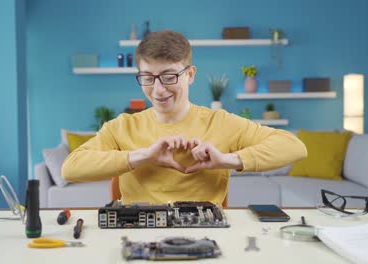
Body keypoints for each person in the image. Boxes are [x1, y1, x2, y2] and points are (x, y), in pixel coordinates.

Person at [62, 30, 307, 205]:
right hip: (137, 238)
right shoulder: (122, 127)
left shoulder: (221, 122)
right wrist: (144, 156)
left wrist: (226, 160)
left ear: (190, 75)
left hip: (205, 238)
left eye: (169, 76)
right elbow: (71, 168)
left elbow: (294, 147)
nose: (158, 89)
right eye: (147, 77)